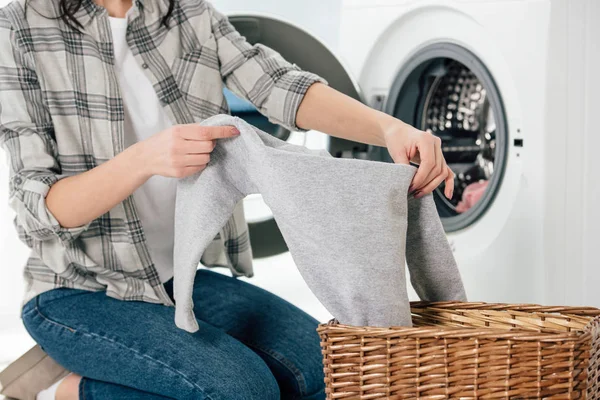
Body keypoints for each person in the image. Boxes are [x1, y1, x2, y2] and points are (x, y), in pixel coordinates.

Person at [0, 0, 454, 397]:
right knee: (245, 391)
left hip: (175, 282)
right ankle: (71, 391)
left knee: (323, 373)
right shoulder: (18, 27)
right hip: (78, 291)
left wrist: (390, 128)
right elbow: (38, 210)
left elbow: (278, 85)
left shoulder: (185, 12)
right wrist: (143, 159)